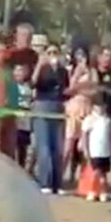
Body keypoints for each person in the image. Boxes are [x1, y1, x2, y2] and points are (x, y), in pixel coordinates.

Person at [31, 43, 68, 194]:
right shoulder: (41, 69)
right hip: (42, 104)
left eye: (55, 52)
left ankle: (57, 183)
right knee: (44, 145)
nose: (53, 55)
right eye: (50, 52)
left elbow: (65, 89)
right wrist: (40, 64)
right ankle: (44, 182)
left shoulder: (63, 71)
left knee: (57, 146)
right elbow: (33, 83)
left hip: (57, 106)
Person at [60, 45, 97, 192]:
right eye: (78, 54)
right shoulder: (74, 70)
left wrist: (81, 88)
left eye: (83, 54)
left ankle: (83, 181)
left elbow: (95, 89)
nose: (81, 57)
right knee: (68, 146)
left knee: (84, 148)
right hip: (74, 108)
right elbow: (70, 88)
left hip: (87, 108)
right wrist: (80, 78)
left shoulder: (92, 71)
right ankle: (59, 178)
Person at [81, 99, 111, 203]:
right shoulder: (89, 119)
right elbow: (84, 135)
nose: (100, 108)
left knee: (103, 173)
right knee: (96, 172)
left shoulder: (108, 120)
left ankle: (103, 192)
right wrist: (85, 149)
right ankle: (92, 191)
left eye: (102, 106)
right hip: (94, 151)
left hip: (105, 151)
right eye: (97, 106)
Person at [13, 63, 33, 169]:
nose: (19, 73)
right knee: (14, 144)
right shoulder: (12, 86)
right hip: (15, 116)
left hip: (26, 118)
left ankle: (22, 167)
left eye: (21, 71)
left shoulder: (28, 86)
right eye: (17, 70)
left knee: (23, 146)